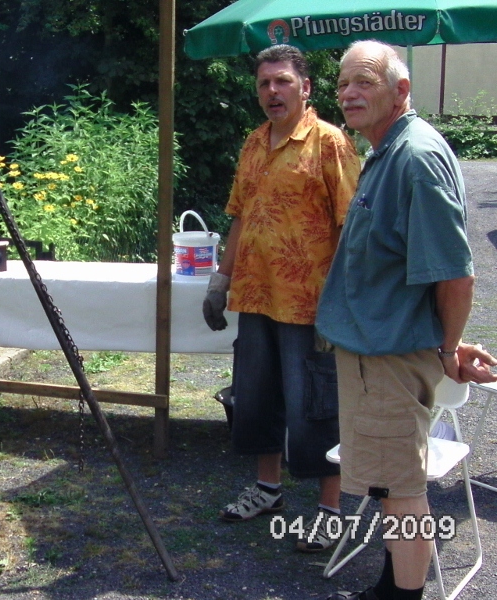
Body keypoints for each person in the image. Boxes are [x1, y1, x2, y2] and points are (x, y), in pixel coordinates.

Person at [315, 40, 497, 600]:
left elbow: (454, 274)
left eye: (364, 82)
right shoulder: (386, 151)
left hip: (391, 359)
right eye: (344, 82)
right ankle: (393, 582)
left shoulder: (415, 157)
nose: (348, 92)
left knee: (400, 488)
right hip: (377, 354)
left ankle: (405, 595)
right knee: (389, 481)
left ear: (401, 90)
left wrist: (447, 350)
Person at [202, 44, 360, 553]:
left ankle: (330, 510)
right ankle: (268, 489)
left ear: (306, 88)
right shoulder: (252, 144)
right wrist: (219, 281)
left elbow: (351, 226)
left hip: (309, 305)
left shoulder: (330, 143)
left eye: (283, 82)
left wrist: (338, 303)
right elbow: (240, 216)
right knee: (255, 397)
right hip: (255, 297)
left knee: (315, 406)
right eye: (265, 83)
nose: (272, 91)